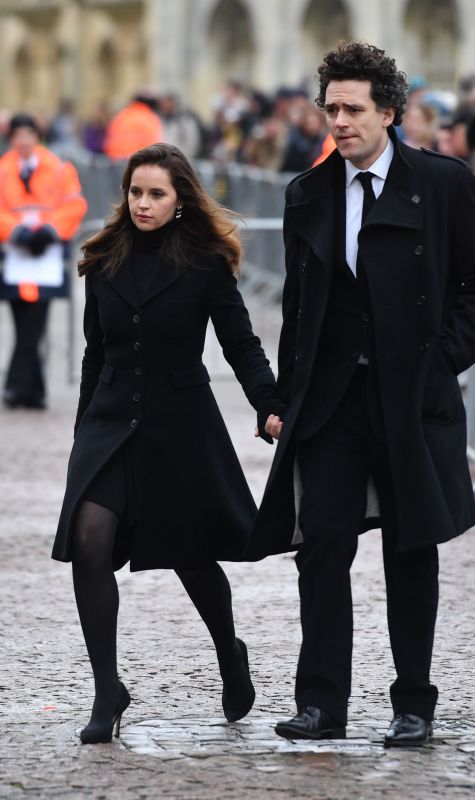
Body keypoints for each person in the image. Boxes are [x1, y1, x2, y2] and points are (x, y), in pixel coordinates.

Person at [251, 42, 475, 747]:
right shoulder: (306, 193)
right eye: (329, 108)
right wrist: (279, 396)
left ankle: (412, 703)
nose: (337, 122)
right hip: (330, 400)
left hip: (410, 397)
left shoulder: (442, 184)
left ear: (388, 112)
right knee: (321, 547)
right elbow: (300, 309)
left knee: (409, 549)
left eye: (352, 109)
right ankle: (320, 703)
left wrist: (442, 360)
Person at [52, 142, 283, 744]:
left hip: (179, 425)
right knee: (90, 538)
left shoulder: (205, 262)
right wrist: (83, 437)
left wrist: (269, 403)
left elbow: (241, 342)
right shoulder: (102, 260)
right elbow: (94, 353)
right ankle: (108, 688)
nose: (144, 203)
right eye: (135, 192)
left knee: (191, 556)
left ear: (180, 200)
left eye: (156, 194)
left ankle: (228, 650)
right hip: (109, 424)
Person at [0, 113, 87, 408]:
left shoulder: (60, 168)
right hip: (14, 254)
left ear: (37, 136)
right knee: (22, 321)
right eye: (18, 135)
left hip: (46, 254)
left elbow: (74, 204)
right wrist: (17, 231)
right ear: (11, 138)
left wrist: (50, 230)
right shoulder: (2, 170)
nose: (23, 141)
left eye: (28, 134)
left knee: (35, 322)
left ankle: (20, 388)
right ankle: (29, 390)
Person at [104, 93, 163, 162]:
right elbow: (154, 143)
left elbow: (109, 136)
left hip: (115, 157)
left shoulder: (122, 115)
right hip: (139, 159)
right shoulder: (149, 118)